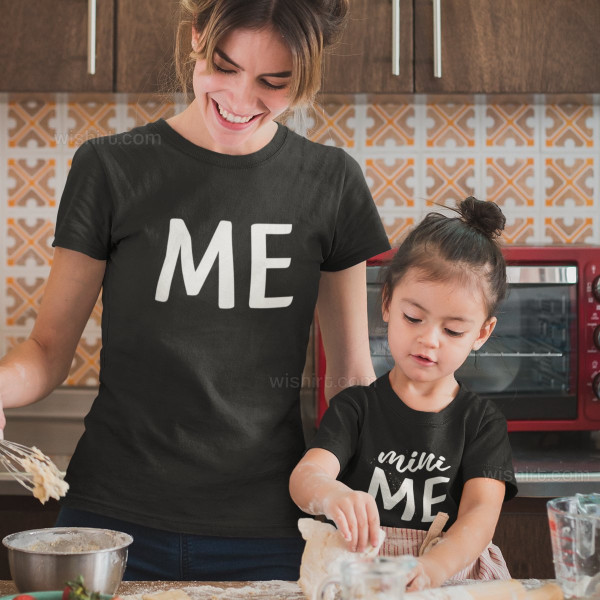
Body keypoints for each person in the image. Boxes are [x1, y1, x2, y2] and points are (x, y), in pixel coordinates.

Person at [0, 0, 390, 582]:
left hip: (272, 527)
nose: (238, 99)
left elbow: (350, 380)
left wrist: (364, 480)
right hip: (111, 520)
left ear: (304, 79)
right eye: (225, 68)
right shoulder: (110, 168)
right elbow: (47, 351)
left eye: (272, 82)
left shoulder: (331, 183)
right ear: (197, 38)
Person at [289, 197, 518, 590]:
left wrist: (431, 569)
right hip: (365, 580)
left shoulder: (481, 422)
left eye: (453, 331)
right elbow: (306, 476)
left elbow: (480, 516)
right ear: (387, 303)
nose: (428, 341)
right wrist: (329, 494)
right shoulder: (356, 408)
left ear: (481, 333)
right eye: (414, 317)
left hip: (449, 578)